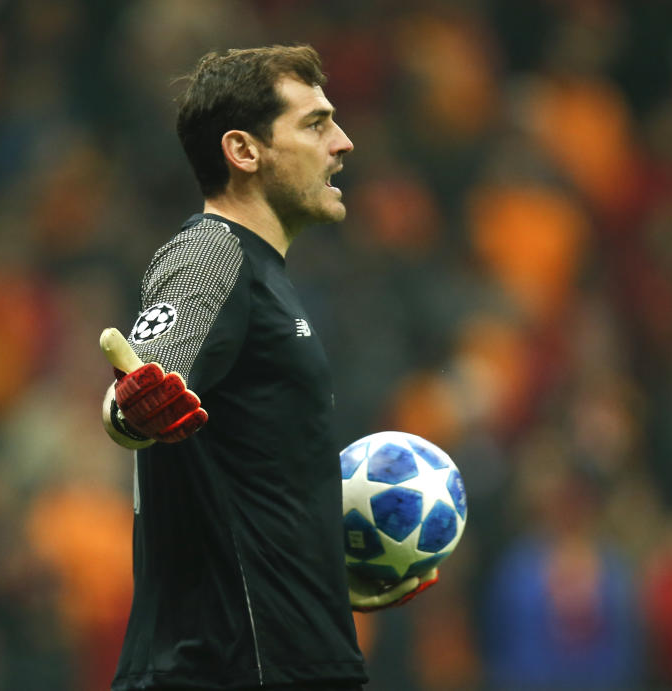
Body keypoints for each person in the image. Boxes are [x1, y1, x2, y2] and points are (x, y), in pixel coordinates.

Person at [99, 45, 436, 691]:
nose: (343, 142)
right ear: (244, 151)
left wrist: (323, 574)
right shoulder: (210, 254)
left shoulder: (267, 278)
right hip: (232, 668)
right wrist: (127, 413)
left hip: (279, 656)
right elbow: (142, 386)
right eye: (315, 123)